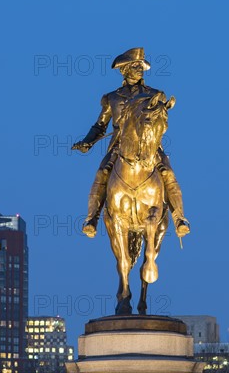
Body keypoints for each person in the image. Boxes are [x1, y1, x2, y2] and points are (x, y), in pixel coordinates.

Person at [72, 47, 190, 238]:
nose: (139, 69)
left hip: (149, 145)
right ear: (124, 70)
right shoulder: (112, 98)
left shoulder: (155, 95)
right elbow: (100, 125)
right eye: (135, 65)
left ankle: (179, 218)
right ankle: (92, 218)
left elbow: (160, 120)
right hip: (119, 147)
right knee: (102, 173)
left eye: (141, 65)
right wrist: (87, 142)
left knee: (167, 172)